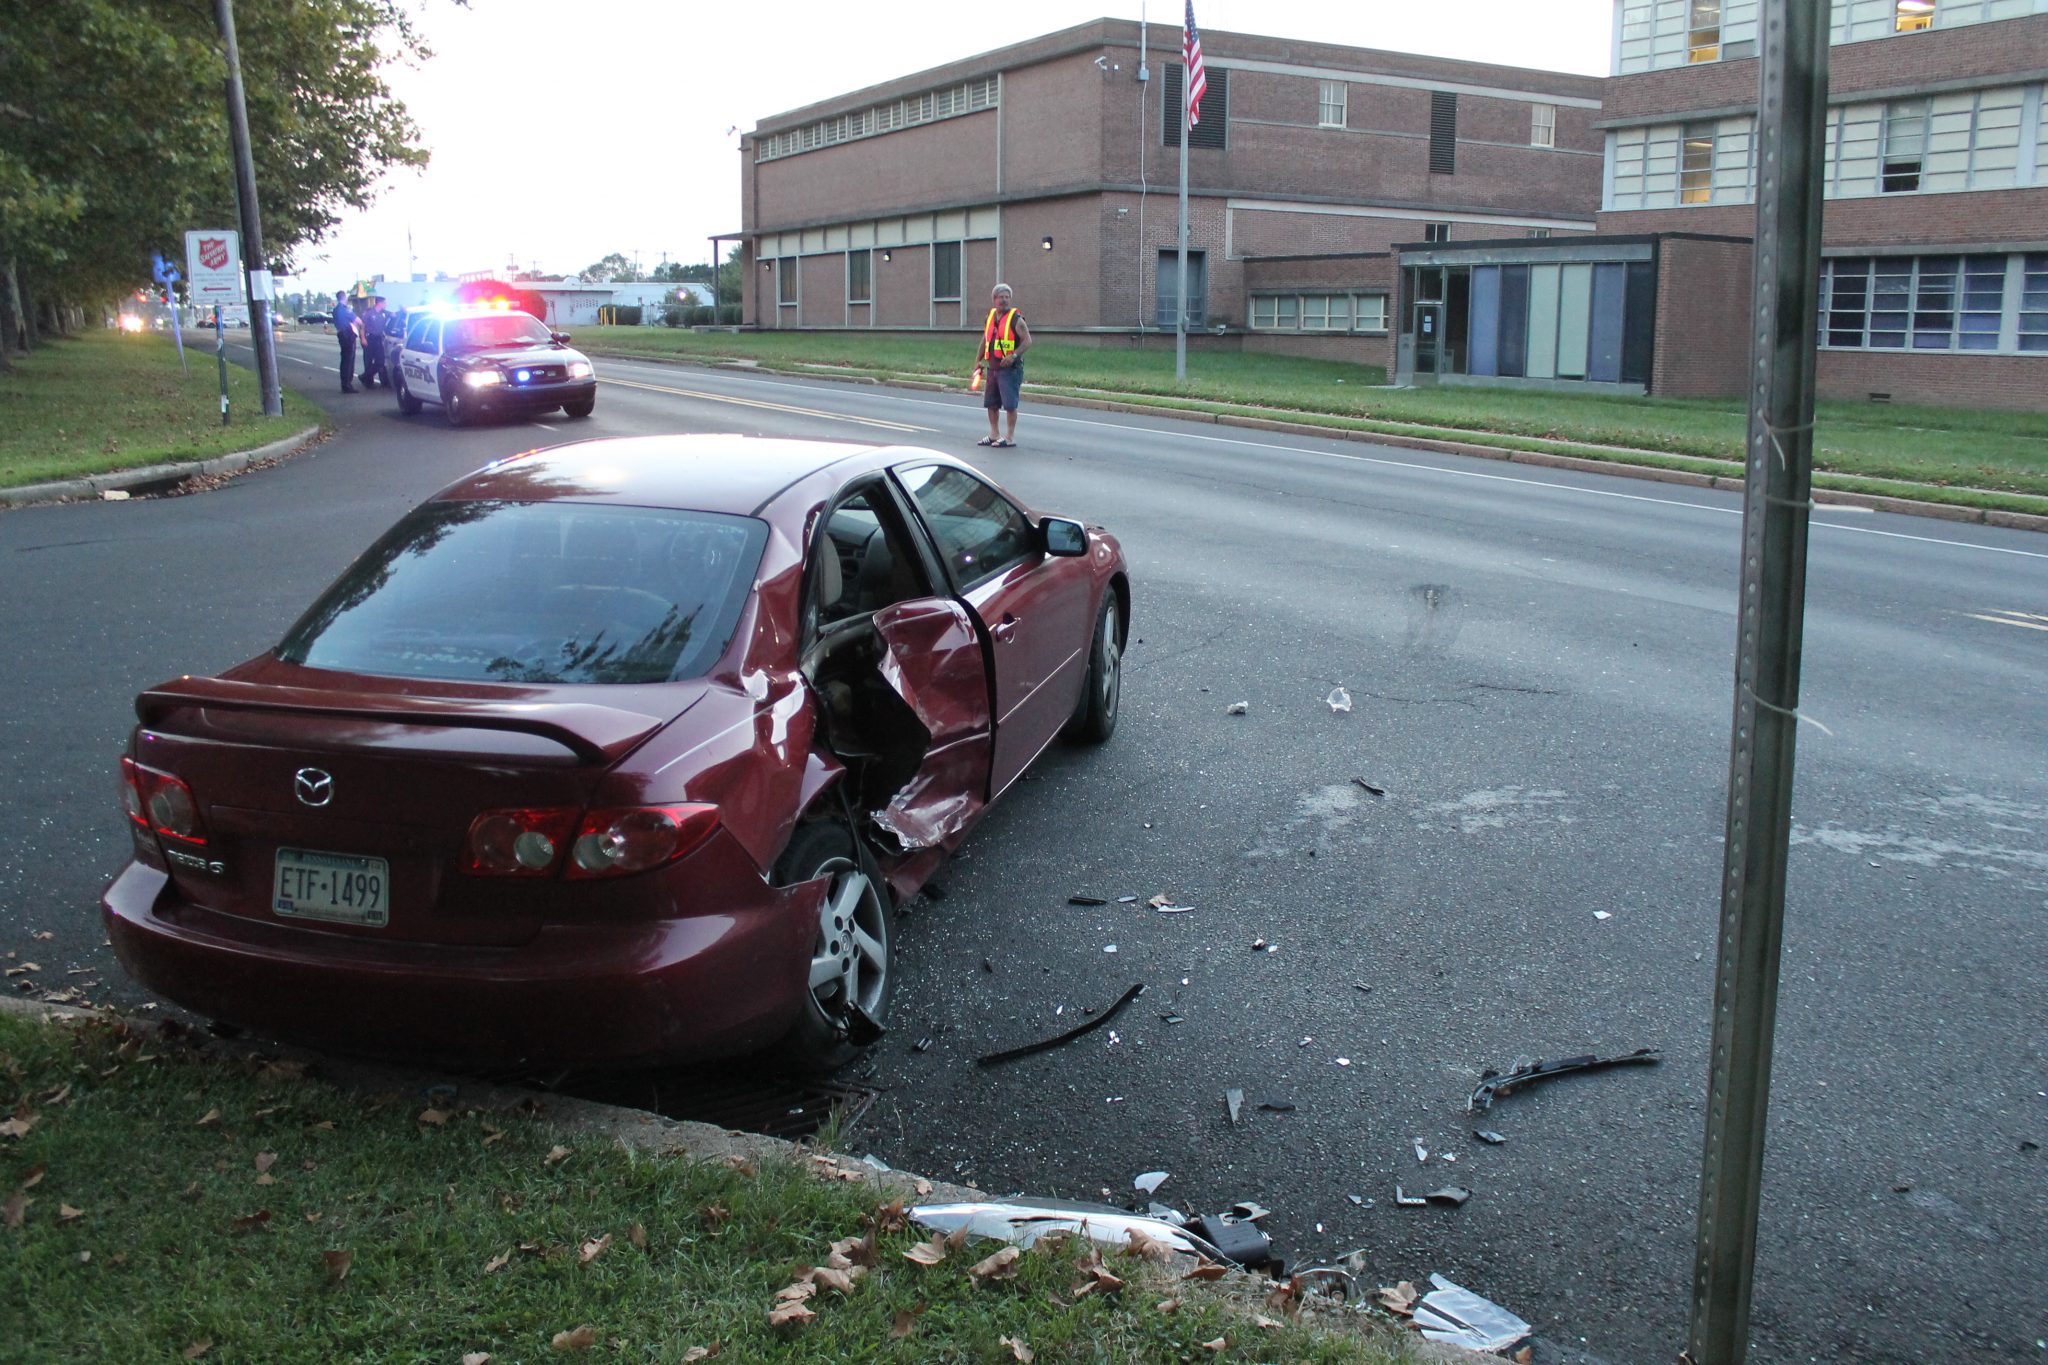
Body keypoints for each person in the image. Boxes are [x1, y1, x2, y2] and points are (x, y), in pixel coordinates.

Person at [974, 282, 1031, 447]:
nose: (1004, 300)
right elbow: (985, 339)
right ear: (994, 299)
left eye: (1007, 297)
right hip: (993, 368)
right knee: (991, 403)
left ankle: (1009, 437)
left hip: (1010, 370)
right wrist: (977, 360)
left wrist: (1014, 356)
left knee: (1010, 405)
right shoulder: (990, 317)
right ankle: (994, 434)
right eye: (1001, 297)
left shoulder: (1016, 320)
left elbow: (1027, 341)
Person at [331, 290, 359, 393]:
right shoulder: (345, 309)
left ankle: (345, 383)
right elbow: (357, 320)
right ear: (344, 297)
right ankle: (347, 385)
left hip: (341, 335)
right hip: (348, 335)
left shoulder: (335, 310)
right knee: (349, 361)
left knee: (344, 360)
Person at [360, 296, 389, 388]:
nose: (386, 304)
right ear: (379, 303)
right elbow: (362, 327)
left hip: (378, 339)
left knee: (380, 361)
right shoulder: (369, 313)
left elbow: (394, 315)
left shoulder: (384, 313)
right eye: (384, 303)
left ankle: (364, 376)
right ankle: (368, 382)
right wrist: (363, 338)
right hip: (369, 338)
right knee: (368, 361)